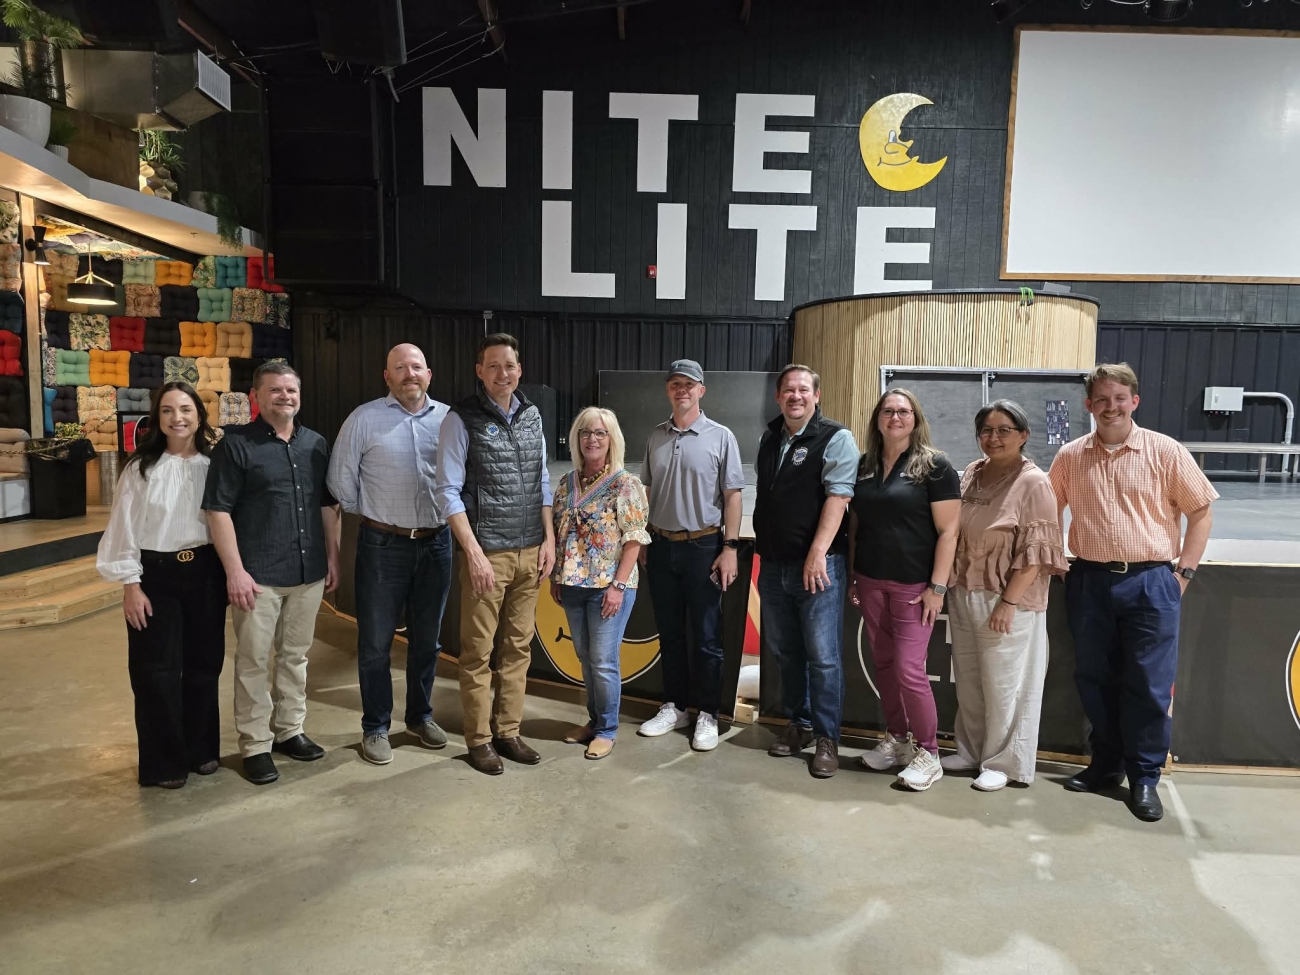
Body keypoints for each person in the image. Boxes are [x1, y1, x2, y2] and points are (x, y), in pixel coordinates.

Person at [1049, 363, 1216, 822]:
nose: (1111, 407)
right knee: (1094, 677)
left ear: (1134, 401)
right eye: (1101, 399)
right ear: (1089, 405)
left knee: (1148, 683)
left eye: (1119, 398)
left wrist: (1183, 574)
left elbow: (1201, 513)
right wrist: (1058, 559)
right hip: (1089, 580)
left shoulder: (1166, 451)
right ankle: (1106, 764)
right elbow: (1047, 508)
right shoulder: (1070, 456)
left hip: (1151, 581)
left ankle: (1144, 776)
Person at [203, 362, 341, 786]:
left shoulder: (315, 444)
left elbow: (327, 506)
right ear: (256, 397)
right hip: (257, 575)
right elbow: (217, 511)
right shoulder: (235, 446)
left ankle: (289, 730)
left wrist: (332, 557)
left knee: (296, 657)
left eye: (291, 390)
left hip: (308, 571)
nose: (285, 396)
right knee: (252, 662)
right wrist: (235, 572)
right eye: (275, 390)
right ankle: (255, 745)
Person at [435, 333, 555, 775]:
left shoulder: (532, 415)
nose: (502, 373)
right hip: (488, 555)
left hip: (530, 551)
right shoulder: (460, 418)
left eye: (509, 365)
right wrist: (473, 552)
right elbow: (447, 491)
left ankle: (508, 731)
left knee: (518, 650)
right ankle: (479, 739)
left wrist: (549, 539)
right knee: (478, 652)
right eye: (493, 365)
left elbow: (542, 480)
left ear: (519, 370)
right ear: (479, 371)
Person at [327, 343, 452, 766]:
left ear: (429, 374)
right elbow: (340, 481)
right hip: (382, 546)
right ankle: (375, 726)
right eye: (400, 368)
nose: (409, 374)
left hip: (436, 544)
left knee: (428, 642)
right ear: (387, 376)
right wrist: (377, 513)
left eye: (416, 367)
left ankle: (419, 717)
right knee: (376, 643)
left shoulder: (449, 420)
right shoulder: (364, 419)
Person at [97, 382, 226, 789]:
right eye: (168, 410)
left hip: (206, 571)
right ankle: (164, 762)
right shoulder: (141, 468)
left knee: (205, 665)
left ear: (199, 416)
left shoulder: (215, 464)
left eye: (185, 409)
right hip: (156, 575)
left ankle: (201, 749)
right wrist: (130, 585)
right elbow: (123, 527)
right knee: (156, 671)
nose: (177, 418)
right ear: (157, 419)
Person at [944, 400, 1068, 791]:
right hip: (964, 590)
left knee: (1006, 685)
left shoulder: (1034, 483)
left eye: (1004, 430)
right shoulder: (972, 473)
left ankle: (1004, 762)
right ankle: (971, 750)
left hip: (1005, 598)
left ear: (1023, 435)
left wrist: (1009, 602)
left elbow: (1038, 553)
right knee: (970, 679)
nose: (994, 438)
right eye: (986, 430)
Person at [851, 388, 960, 791]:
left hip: (914, 586)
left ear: (915, 419)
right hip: (870, 580)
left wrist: (937, 587)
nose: (895, 417)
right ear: (877, 419)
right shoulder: (864, 465)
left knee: (909, 669)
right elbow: (856, 526)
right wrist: (853, 575)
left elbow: (949, 531)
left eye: (903, 411)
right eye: (887, 411)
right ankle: (897, 740)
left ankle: (929, 753)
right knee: (884, 663)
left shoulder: (935, 466)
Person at [757, 365, 859, 778]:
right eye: (788, 390)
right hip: (773, 566)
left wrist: (817, 553)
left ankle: (827, 737)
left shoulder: (836, 438)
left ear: (817, 395)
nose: (795, 396)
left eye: (803, 390)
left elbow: (838, 497)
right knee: (786, 652)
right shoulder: (769, 438)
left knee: (823, 658)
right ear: (778, 396)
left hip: (818, 567)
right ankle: (798, 724)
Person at [638, 359, 745, 751]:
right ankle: (676, 706)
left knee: (706, 636)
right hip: (661, 546)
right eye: (675, 384)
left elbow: (732, 497)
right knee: (669, 633)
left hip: (703, 547)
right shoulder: (656, 436)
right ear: (668, 390)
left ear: (701, 390)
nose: (681, 389)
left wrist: (730, 548)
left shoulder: (721, 437)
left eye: (689, 384)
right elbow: (646, 491)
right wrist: (643, 537)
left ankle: (708, 713)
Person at [549, 406, 651, 759]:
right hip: (573, 585)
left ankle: (607, 729)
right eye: (586, 432)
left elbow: (634, 538)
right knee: (585, 657)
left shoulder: (626, 484)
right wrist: (558, 576)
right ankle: (594, 722)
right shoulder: (567, 483)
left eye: (600, 433)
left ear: (612, 439)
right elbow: (561, 532)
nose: (592, 439)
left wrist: (618, 587)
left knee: (604, 660)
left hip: (609, 587)